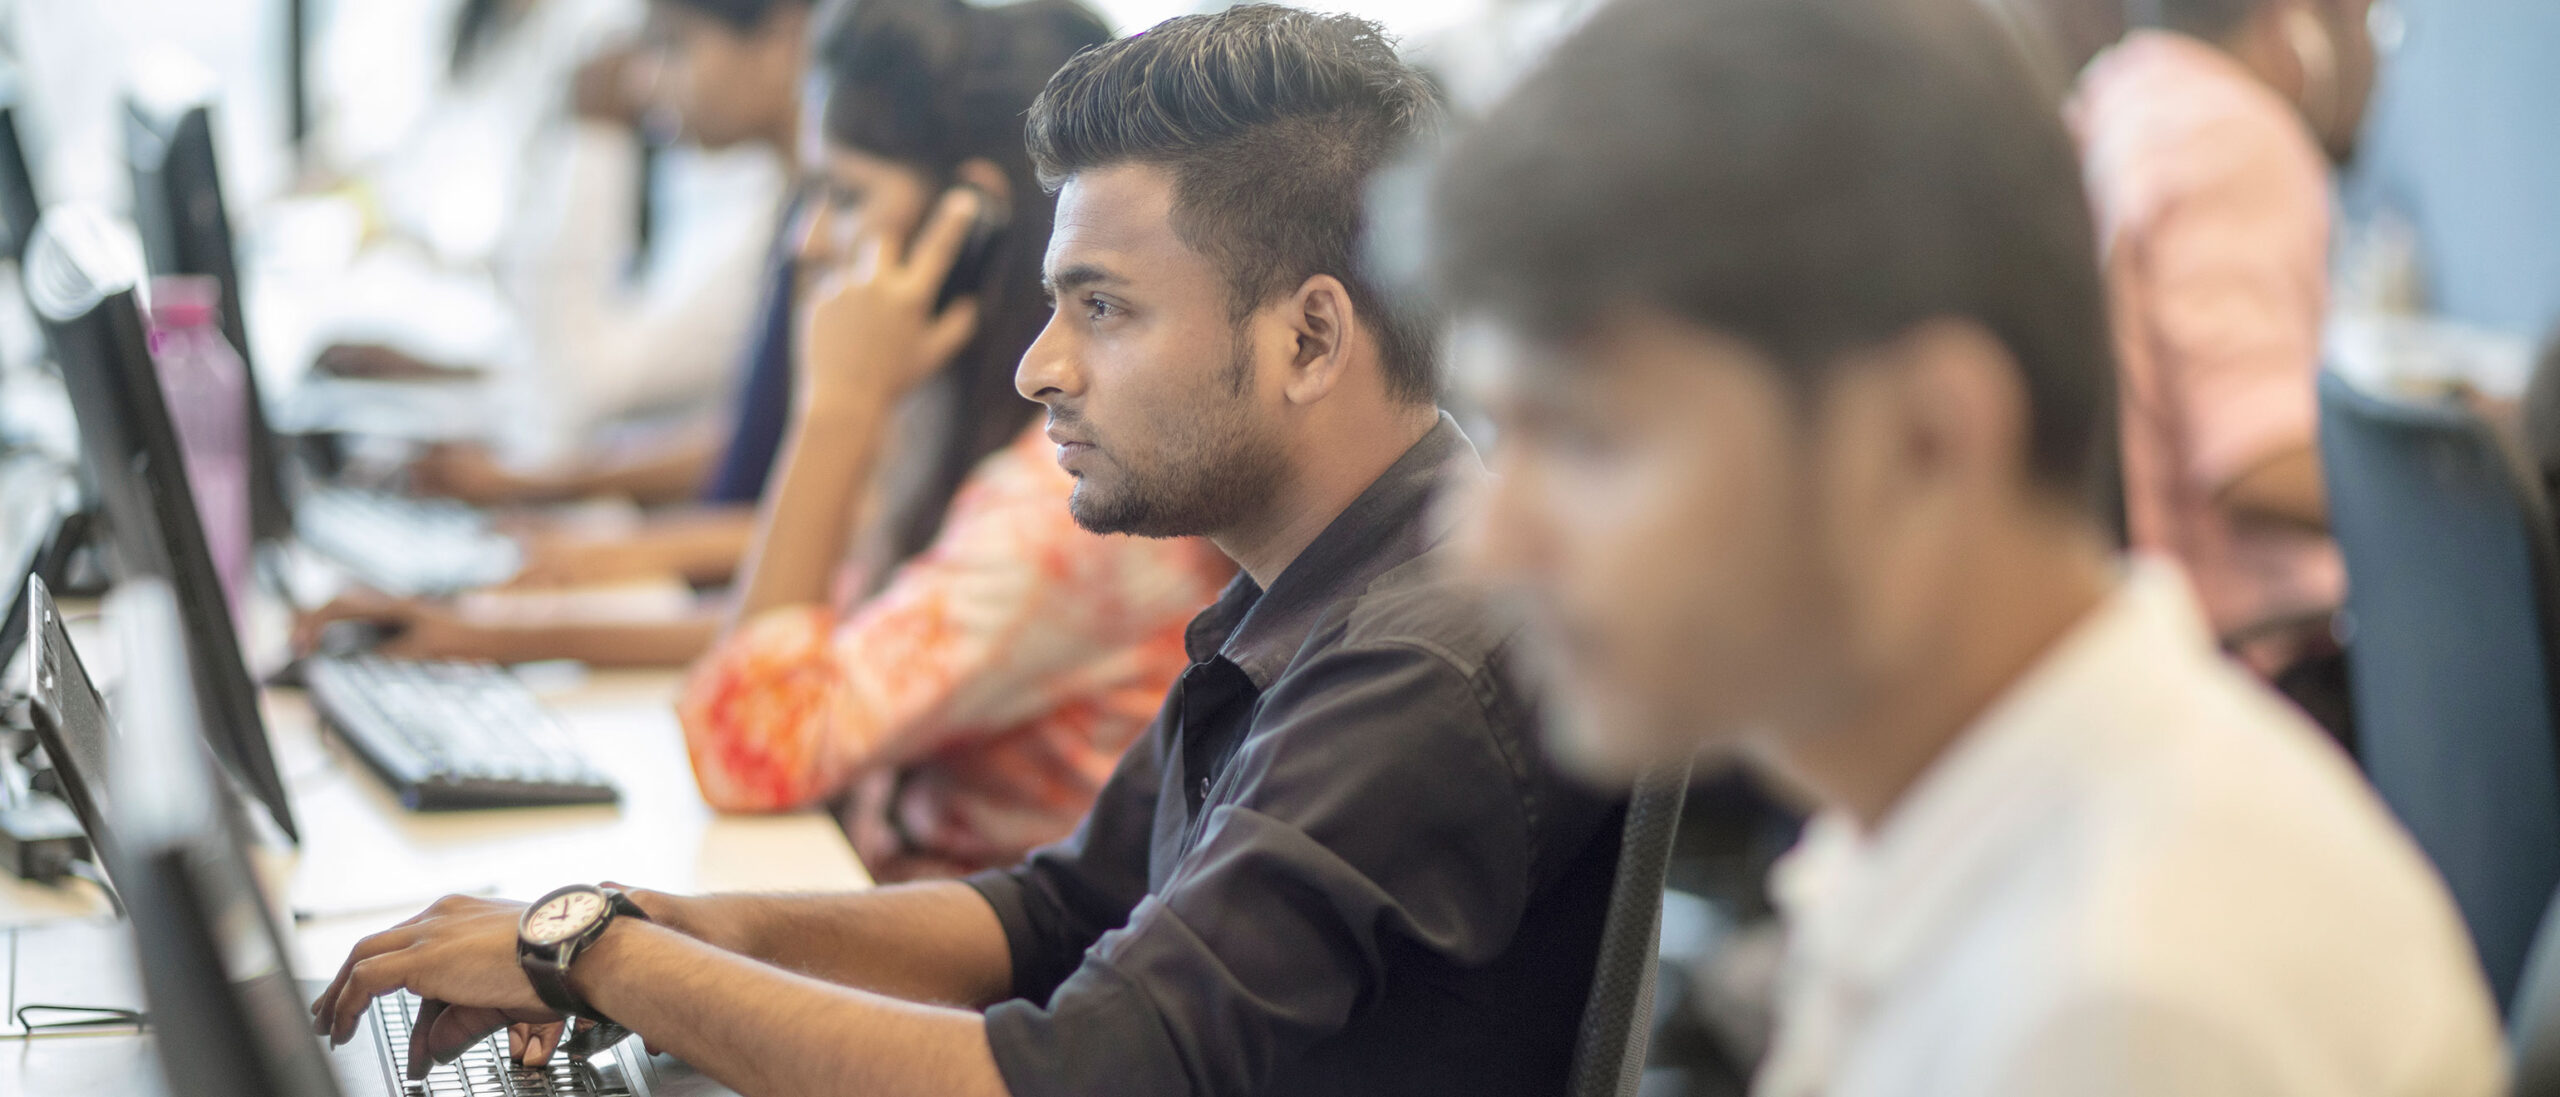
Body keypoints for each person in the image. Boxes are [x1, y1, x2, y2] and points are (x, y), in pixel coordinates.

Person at [309, 9, 1627, 1096]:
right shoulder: (1307, 589)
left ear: (1311, 339)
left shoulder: (1418, 660)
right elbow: (1051, 915)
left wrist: (588, 959)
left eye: (1101, 310)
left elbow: (1073, 1073)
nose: (1037, 365)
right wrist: (660, 923)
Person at [1424, 0, 2503, 1094]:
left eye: (1589, 438)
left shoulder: (2119, 1009)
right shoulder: (1930, 812)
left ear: (1921, 445)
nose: (1482, 543)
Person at [2068, 0, 2380, 738]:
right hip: (2250, 677)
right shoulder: (2233, 133)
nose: (2374, 60)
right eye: (2368, 21)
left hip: (2138, 650)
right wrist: (2466, 497)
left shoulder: (2120, 93)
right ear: (2301, 25)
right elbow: (2254, 464)